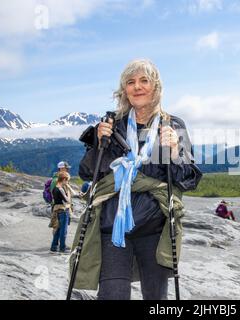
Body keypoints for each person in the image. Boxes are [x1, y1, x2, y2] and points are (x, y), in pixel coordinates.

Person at [73, 59, 202, 300]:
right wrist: (98, 144)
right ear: (124, 90)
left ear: (156, 87)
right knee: (113, 295)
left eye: (144, 81)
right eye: (130, 82)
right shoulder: (113, 124)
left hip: (155, 229)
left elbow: (188, 179)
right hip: (114, 228)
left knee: (156, 298)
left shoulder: (172, 125)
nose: (137, 87)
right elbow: (89, 173)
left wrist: (174, 152)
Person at [49, 171, 73, 254]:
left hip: (57, 210)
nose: (67, 182)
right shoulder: (61, 189)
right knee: (63, 230)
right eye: (67, 180)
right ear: (63, 179)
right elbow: (68, 201)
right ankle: (63, 248)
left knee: (58, 229)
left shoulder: (55, 188)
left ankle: (53, 247)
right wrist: (69, 193)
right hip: (63, 210)